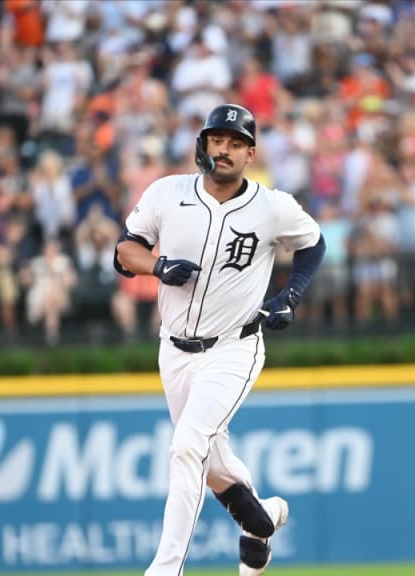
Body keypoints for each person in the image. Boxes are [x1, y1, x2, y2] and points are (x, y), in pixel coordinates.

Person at [113, 104, 326, 576]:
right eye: (217, 140)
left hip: (235, 346)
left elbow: (313, 241)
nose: (224, 150)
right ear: (203, 145)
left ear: (250, 153)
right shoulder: (167, 193)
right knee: (212, 466)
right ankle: (263, 519)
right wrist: (158, 266)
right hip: (174, 349)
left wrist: (289, 295)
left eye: (234, 143)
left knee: (188, 446)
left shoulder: (272, 207)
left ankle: (165, 569)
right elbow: (125, 250)